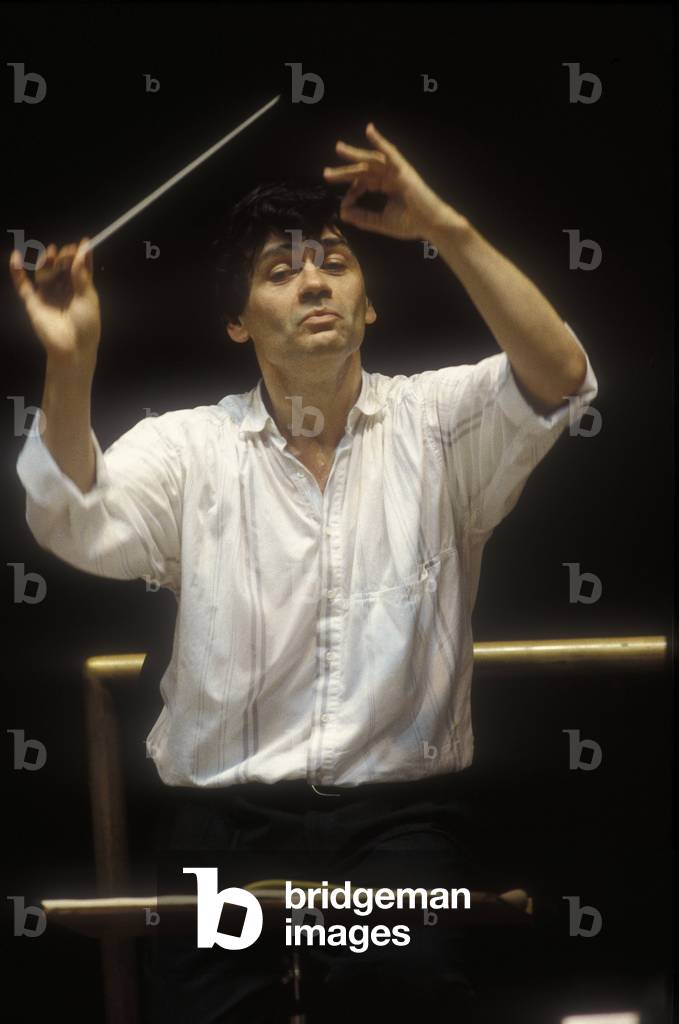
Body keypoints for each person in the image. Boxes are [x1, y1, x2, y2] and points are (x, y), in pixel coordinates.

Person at [11, 121, 598, 1022]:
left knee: (400, 987)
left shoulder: (440, 424)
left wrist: (441, 224)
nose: (314, 279)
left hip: (399, 827)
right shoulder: (185, 447)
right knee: (213, 1014)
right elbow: (71, 522)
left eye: (333, 263)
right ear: (240, 321)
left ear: (368, 306)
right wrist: (70, 360)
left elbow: (559, 377)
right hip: (226, 828)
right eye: (279, 273)